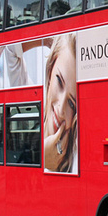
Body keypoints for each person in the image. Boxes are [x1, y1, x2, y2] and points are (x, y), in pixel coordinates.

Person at [43, 33, 78, 174]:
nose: (61, 109)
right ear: (50, 71)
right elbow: (11, 50)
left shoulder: (75, 156)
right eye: (59, 81)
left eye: (71, 103)